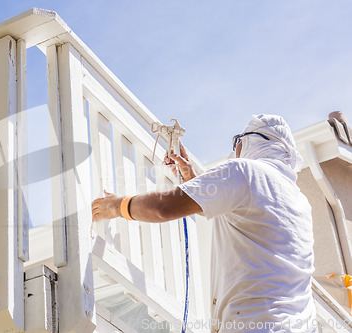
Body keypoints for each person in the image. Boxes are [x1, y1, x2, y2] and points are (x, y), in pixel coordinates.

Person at [91, 114, 316, 332]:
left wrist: (119, 205)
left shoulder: (245, 171)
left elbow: (163, 208)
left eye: (237, 141)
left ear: (247, 142)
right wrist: (192, 178)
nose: (234, 150)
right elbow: (237, 213)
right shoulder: (299, 201)